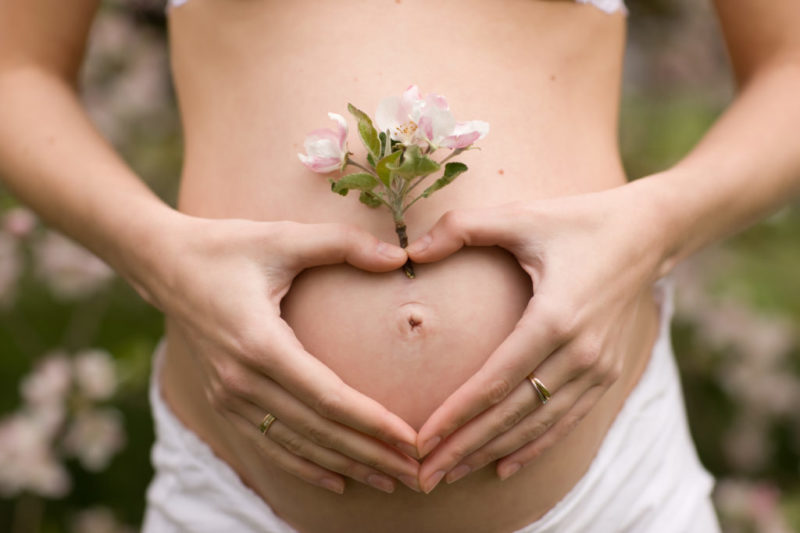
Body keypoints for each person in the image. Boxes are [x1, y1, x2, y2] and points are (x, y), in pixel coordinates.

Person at [1, 0, 798, 531]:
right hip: (236, 502)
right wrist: (163, 259)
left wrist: (652, 229)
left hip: (612, 496)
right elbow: (16, 69)